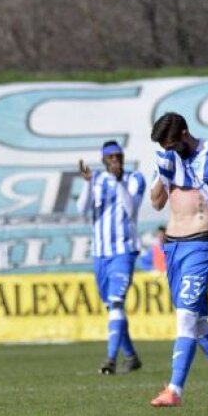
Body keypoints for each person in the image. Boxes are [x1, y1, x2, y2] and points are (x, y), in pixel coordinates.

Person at [146, 112, 208, 407]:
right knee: (198, 324)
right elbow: (157, 202)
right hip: (173, 247)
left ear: (185, 134)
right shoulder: (168, 159)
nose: (170, 150)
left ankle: (174, 389)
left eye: (173, 145)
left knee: (185, 316)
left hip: (201, 244)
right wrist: (163, 174)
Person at [76, 141, 146, 375]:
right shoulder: (94, 180)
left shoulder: (135, 178)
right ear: (104, 159)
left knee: (116, 303)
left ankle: (110, 359)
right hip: (100, 253)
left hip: (123, 251)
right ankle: (131, 357)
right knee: (112, 308)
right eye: (111, 157)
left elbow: (131, 209)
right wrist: (86, 183)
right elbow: (81, 209)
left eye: (118, 156)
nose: (115, 160)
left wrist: (118, 183)